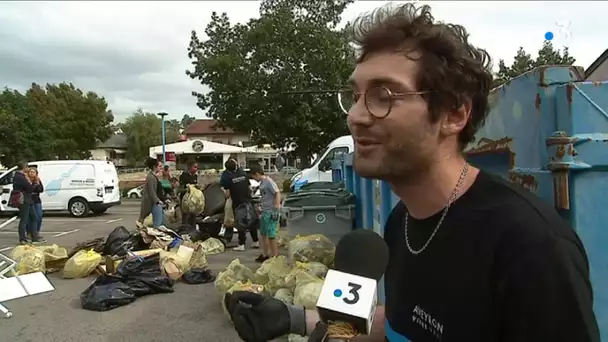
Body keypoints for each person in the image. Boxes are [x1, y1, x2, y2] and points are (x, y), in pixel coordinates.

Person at [224, 4, 600, 342]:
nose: (355, 116)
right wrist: (294, 319)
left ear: (454, 114)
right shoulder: (400, 222)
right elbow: (404, 324)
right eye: (355, 96)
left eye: (383, 96)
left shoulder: (531, 247)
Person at [220, 158, 259, 251]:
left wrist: (224, 195)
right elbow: (249, 187)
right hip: (248, 200)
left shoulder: (227, 177)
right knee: (251, 221)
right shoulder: (242, 173)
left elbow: (228, 194)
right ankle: (255, 241)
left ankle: (241, 244)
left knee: (241, 223)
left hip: (238, 203)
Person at [249, 163, 280, 262]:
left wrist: (276, 208)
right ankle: (266, 254)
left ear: (257, 174)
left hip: (271, 211)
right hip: (265, 211)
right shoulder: (262, 183)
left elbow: (277, 193)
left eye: (254, 177)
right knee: (264, 234)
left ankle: (275, 257)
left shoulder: (268, 181)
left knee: (271, 235)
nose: (254, 179)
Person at [12, 162, 44, 244]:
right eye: (27, 167)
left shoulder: (19, 176)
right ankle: (22, 239)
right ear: (24, 167)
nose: (28, 169)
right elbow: (29, 188)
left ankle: (34, 237)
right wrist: (33, 184)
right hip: (24, 200)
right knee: (24, 219)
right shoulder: (20, 176)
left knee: (34, 217)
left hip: (28, 200)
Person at [138, 157, 165, 228]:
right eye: (159, 166)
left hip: (154, 203)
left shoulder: (153, 176)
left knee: (157, 222)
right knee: (156, 224)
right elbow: (151, 191)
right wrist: (157, 201)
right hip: (152, 203)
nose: (161, 168)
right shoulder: (151, 177)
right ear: (154, 167)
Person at [178, 161, 199, 228]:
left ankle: (193, 230)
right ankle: (185, 230)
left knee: (193, 215)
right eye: (195, 167)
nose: (196, 169)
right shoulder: (183, 176)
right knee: (186, 216)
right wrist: (188, 189)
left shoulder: (195, 176)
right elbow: (180, 189)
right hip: (185, 199)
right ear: (190, 167)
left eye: (197, 167)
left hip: (193, 200)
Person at [28, 167, 44, 238]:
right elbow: (29, 190)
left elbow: (41, 189)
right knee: (30, 217)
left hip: (37, 200)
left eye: (33, 172)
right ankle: (29, 232)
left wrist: (37, 184)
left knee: (39, 216)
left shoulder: (37, 180)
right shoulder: (27, 180)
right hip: (29, 200)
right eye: (30, 172)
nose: (32, 173)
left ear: (36, 173)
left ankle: (36, 232)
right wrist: (34, 187)